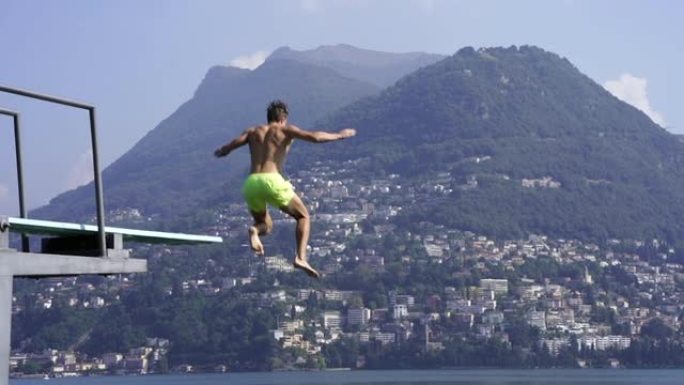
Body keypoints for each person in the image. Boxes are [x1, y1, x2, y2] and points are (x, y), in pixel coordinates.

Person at [214, 100, 356, 278]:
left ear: (268, 118)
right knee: (303, 216)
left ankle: (254, 231)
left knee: (265, 224)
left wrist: (221, 151)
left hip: (251, 183)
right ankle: (300, 257)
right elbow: (315, 137)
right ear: (283, 119)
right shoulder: (284, 130)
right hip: (271, 179)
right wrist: (340, 135)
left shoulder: (252, 131)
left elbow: (229, 147)